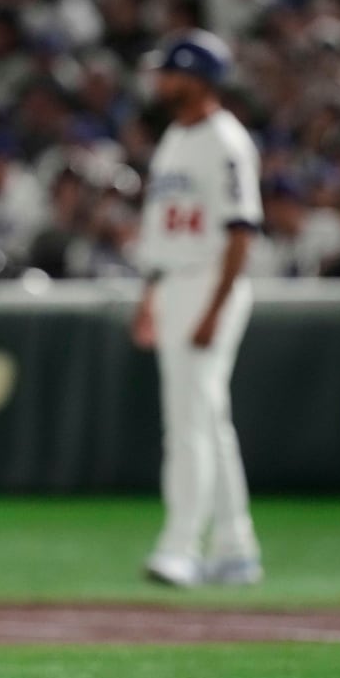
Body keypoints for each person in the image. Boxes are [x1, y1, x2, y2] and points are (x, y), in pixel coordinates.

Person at [130, 30, 262, 588]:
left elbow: (240, 231)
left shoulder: (225, 140)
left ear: (196, 77)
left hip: (209, 280)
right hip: (175, 282)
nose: (161, 80)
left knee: (188, 421)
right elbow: (162, 229)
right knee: (208, 418)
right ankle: (236, 547)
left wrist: (215, 305)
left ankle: (182, 544)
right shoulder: (175, 138)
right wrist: (152, 297)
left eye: (170, 71)